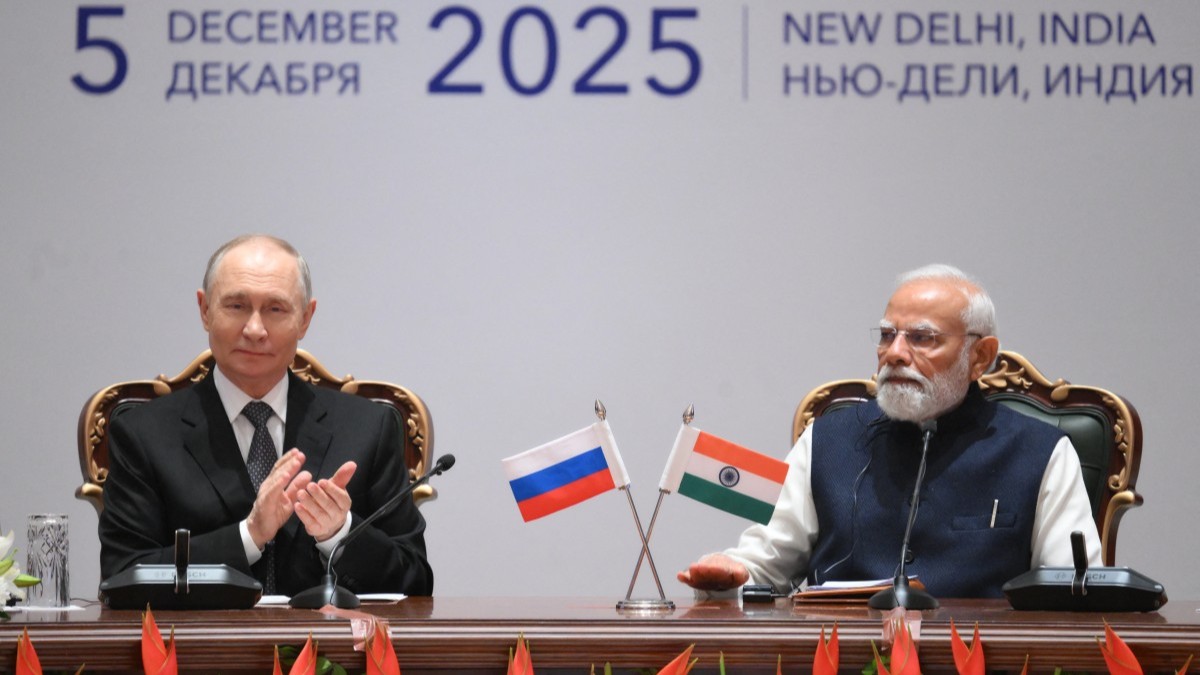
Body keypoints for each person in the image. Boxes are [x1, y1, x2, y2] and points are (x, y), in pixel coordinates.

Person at [678, 264, 1100, 599]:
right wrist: (731, 573)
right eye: (886, 335)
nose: (895, 354)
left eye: (922, 338)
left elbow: (1073, 589)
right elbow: (766, 561)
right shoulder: (827, 439)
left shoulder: (1041, 452)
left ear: (980, 356)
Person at [99, 235, 432, 596]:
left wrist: (339, 533)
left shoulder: (369, 429)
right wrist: (249, 535)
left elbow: (416, 582)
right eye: (237, 306)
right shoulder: (143, 434)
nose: (255, 330)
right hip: (200, 651)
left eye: (275, 309)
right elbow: (122, 578)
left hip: (330, 649)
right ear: (205, 310)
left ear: (305, 318)